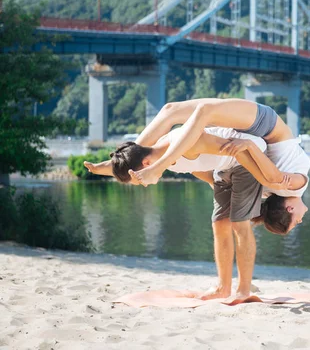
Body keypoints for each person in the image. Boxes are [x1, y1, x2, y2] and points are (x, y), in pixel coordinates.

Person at [85, 126, 288, 300]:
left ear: (146, 165)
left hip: (246, 155)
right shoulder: (159, 158)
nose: (144, 185)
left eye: (140, 180)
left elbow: (236, 151)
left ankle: (244, 290)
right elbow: (194, 168)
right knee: (219, 223)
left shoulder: (185, 144)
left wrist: (263, 178)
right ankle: (223, 288)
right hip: (223, 167)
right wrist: (97, 168)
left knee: (239, 223)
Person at [128, 98, 310, 234]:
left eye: (296, 222)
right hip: (264, 128)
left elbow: (209, 176)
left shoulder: (286, 190)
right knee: (180, 111)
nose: (301, 221)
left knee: (172, 111)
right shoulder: (291, 186)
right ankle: (129, 161)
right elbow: (276, 178)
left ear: (290, 209)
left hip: (255, 131)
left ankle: (125, 161)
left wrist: (198, 169)